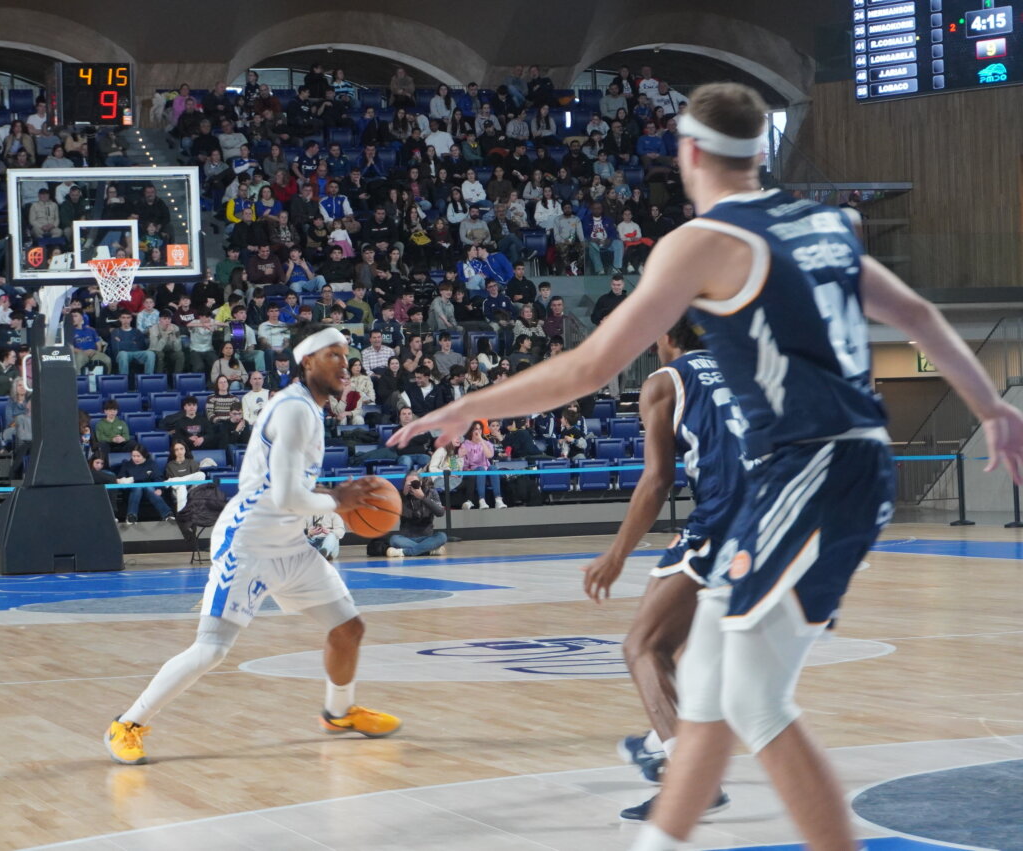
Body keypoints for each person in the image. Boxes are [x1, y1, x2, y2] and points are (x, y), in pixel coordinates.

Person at [390, 82, 1023, 851]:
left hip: (811, 469)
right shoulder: (830, 223)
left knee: (753, 704)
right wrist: (991, 406)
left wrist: (466, 408)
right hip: (816, 471)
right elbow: (919, 316)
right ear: (761, 151)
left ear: (689, 152)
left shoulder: (702, 242)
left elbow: (591, 363)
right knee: (712, 701)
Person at [107, 325, 402, 765]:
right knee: (211, 649)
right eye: (333, 356)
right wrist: (338, 500)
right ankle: (126, 723)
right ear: (307, 362)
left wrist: (327, 494)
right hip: (248, 544)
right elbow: (284, 497)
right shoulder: (295, 411)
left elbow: (288, 486)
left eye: (346, 355)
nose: (345, 363)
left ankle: (338, 714)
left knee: (348, 629)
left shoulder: (308, 409)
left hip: (290, 543)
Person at [580, 317, 746, 820]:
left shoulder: (663, 381)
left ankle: (691, 782)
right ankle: (658, 744)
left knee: (642, 647)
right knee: (678, 647)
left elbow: (656, 481)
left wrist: (616, 555)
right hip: (783, 518)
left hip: (725, 516)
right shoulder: (744, 371)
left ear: (666, 338)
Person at [386, 471, 447, 558]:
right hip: (406, 538)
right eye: (409, 484)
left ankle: (404, 552)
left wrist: (423, 498)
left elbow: (440, 513)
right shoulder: (399, 495)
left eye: (415, 483)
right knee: (394, 539)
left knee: (442, 536)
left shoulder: (431, 493)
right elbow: (391, 514)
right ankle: (428, 550)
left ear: (421, 483)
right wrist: (403, 497)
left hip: (427, 537)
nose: (412, 486)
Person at [117, 444, 173, 524]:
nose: (135, 458)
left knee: (148, 486)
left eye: (138, 456)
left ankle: (167, 515)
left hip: (150, 491)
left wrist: (159, 488)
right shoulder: (127, 464)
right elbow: (121, 478)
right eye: (133, 456)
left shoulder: (151, 464)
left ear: (144, 455)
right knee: (138, 487)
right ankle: (131, 516)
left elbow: (158, 477)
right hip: (131, 491)